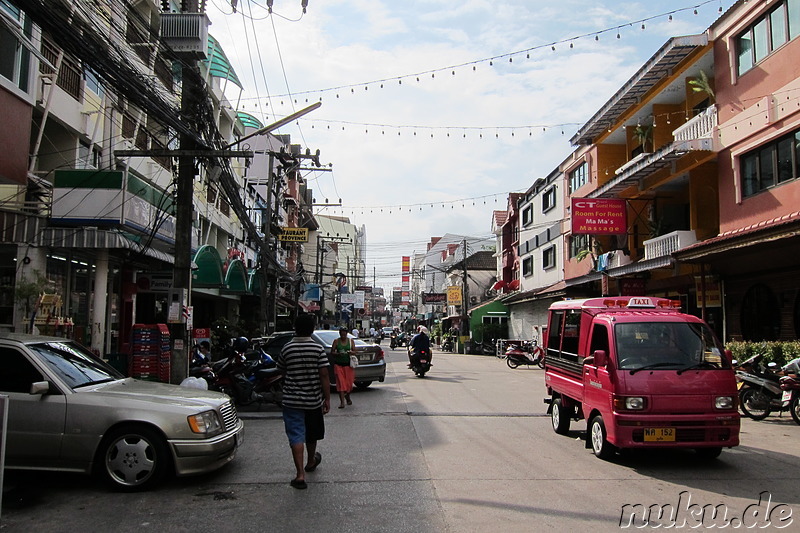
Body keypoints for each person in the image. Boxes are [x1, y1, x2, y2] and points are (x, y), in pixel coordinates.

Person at [276, 314, 331, 490]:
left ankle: (300, 475)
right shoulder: (317, 349)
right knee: (312, 433)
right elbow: (324, 375)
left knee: (296, 435)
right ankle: (310, 461)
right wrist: (327, 398)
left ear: (295, 328)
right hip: (313, 401)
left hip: (291, 401)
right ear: (312, 329)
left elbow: (281, 370)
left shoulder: (287, 348)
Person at [330, 327, 356, 408]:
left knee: (349, 385)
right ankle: (342, 402)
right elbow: (332, 352)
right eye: (342, 334)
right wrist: (338, 354)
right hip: (339, 366)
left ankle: (347, 396)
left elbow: (355, 351)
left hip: (348, 366)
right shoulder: (336, 341)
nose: (343, 335)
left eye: (344, 334)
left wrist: (351, 352)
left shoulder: (351, 341)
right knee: (341, 384)